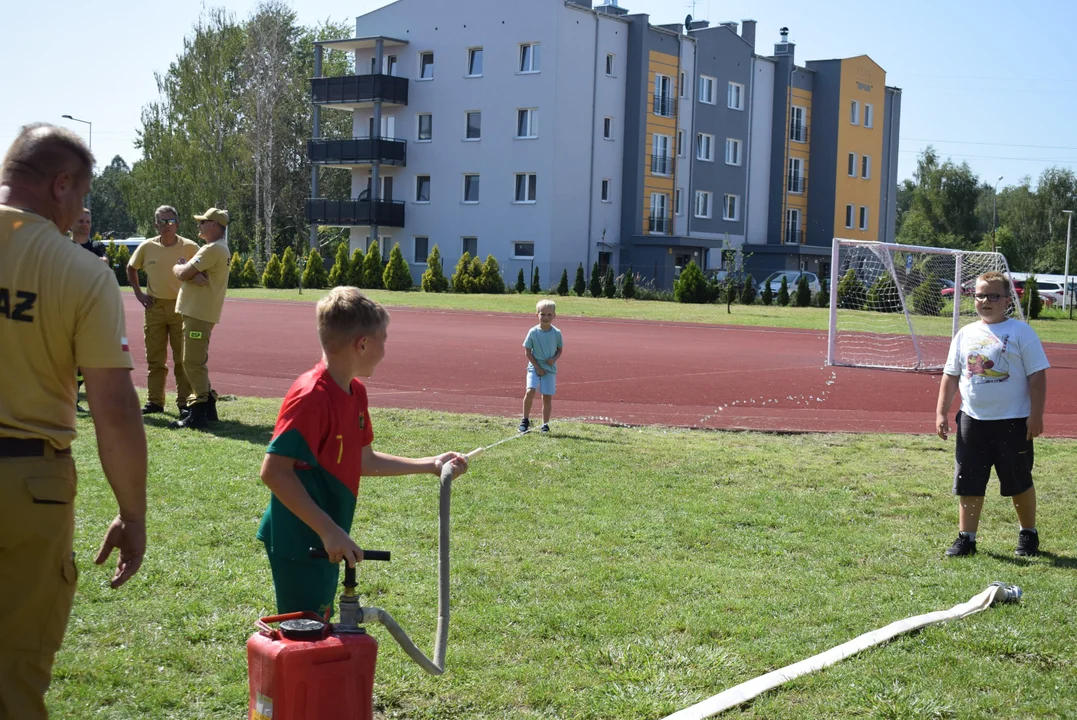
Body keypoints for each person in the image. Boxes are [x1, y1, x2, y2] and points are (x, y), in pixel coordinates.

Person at [0, 123, 147, 719]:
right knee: (15, 678)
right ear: (61, 185)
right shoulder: (80, 272)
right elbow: (112, 409)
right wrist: (133, 514)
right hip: (27, 486)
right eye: (82, 198)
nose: (80, 212)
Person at [256, 287, 468, 616]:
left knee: (320, 629)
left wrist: (430, 464)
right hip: (300, 540)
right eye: (384, 339)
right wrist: (329, 530)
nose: (385, 349)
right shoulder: (311, 396)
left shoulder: (355, 391)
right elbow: (274, 471)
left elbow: (363, 460)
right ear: (363, 344)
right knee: (305, 635)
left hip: (327, 535)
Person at [936, 271, 1050, 558]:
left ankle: (1028, 535)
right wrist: (941, 412)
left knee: (1018, 479)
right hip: (972, 421)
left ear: (1007, 300)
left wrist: (1036, 415)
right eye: (980, 295)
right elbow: (950, 376)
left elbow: (1037, 377)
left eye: (993, 295)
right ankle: (967, 538)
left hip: (1013, 421)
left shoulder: (1022, 332)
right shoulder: (965, 334)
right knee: (969, 480)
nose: (986, 301)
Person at [127, 206, 199, 416]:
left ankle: (184, 403)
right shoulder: (147, 247)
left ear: (177, 223)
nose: (166, 225)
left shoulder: (190, 247)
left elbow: (205, 270)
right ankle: (155, 402)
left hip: (181, 307)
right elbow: (131, 268)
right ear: (155, 224)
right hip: (154, 307)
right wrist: (139, 294)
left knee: (182, 359)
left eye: (170, 221)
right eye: (161, 221)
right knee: (155, 358)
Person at [170, 207, 230, 429]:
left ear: (214, 225)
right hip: (201, 312)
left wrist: (179, 266)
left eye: (203, 221)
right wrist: (191, 272)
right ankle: (208, 406)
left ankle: (197, 413)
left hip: (198, 312)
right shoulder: (217, 248)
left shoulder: (212, 249)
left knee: (192, 362)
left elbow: (182, 273)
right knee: (196, 360)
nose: (199, 225)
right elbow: (191, 274)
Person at [518, 298, 563, 434]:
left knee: (547, 396)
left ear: (554, 316)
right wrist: (537, 367)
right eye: (542, 314)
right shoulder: (532, 332)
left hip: (549, 369)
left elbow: (560, 349)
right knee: (530, 390)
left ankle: (545, 424)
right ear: (537, 315)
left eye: (549, 314)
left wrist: (554, 359)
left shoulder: (557, 333)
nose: (546, 317)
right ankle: (525, 420)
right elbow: (527, 351)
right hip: (534, 367)